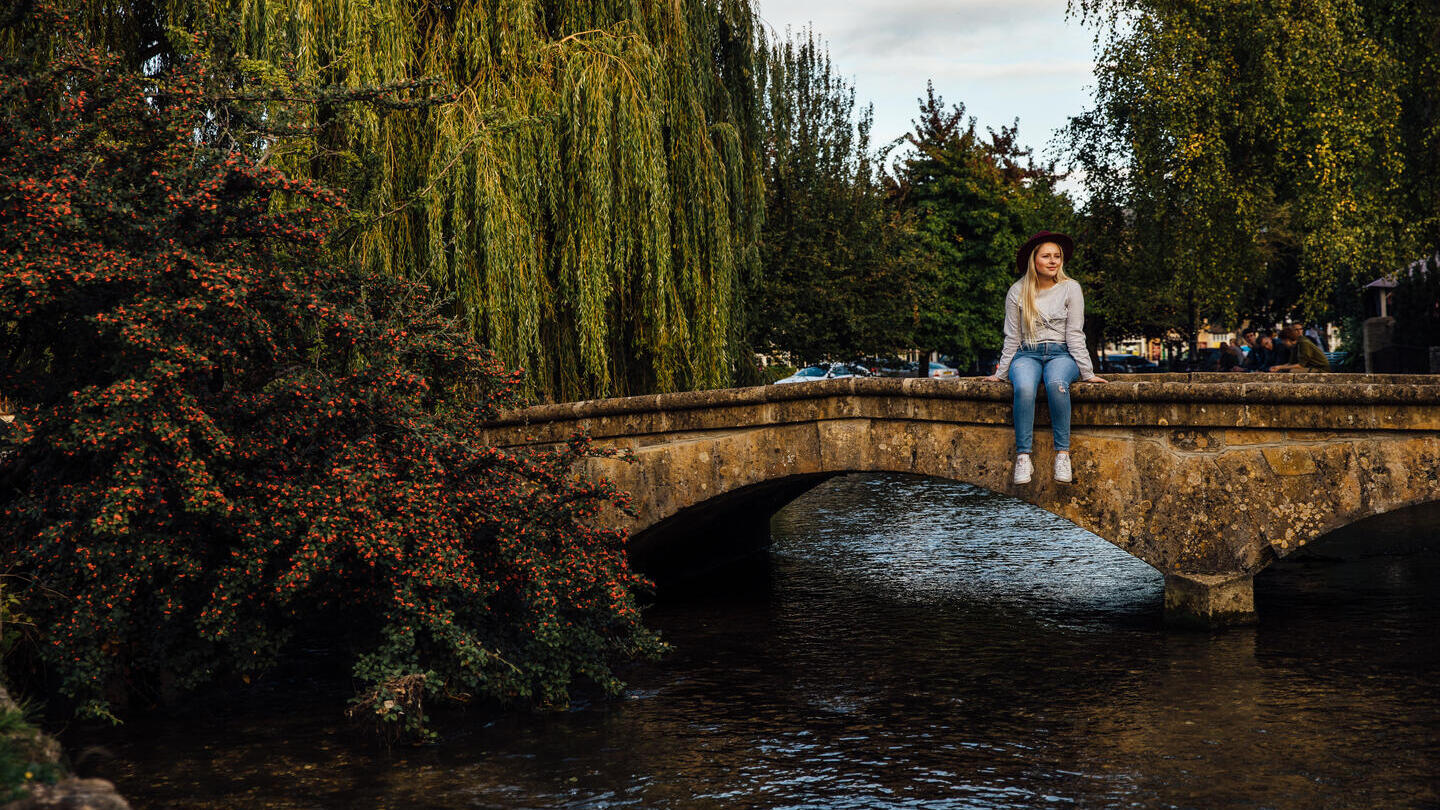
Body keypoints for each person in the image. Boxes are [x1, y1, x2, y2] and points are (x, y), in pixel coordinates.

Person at [984, 231, 1108, 484]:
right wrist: (1001, 373)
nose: (1053, 261)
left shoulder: (1070, 288)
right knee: (1026, 388)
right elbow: (1012, 336)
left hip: (1060, 354)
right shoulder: (1017, 291)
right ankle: (1023, 458)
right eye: (1046, 256)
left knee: (1056, 386)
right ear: (1034, 260)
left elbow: (1075, 333)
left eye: (1057, 256)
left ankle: (1062, 454)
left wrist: (1088, 373)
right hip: (1026, 354)